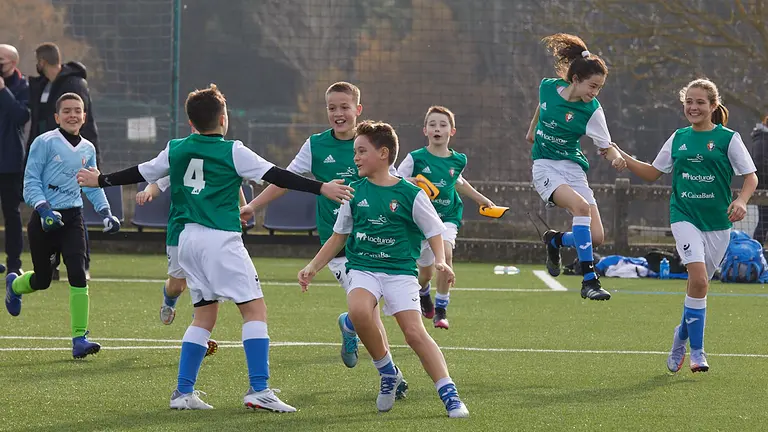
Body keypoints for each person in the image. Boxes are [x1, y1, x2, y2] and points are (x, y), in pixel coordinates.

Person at [76, 84, 353, 411]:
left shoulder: (176, 148)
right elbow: (278, 175)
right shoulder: (232, 150)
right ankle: (259, 390)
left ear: (191, 121)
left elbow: (140, 171)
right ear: (224, 118)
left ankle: (183, 392)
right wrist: (322, 187)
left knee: (204, 316)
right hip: (220, 240)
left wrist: (101, 180)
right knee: (255, 310)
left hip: (188, 240)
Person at [239, 82, 407, 397]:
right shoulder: (315, 145)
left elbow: (393, 185)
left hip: (374, 241)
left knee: (369, 308)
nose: (338, 113)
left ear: (358, 110)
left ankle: (349, 325)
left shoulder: (373, 144)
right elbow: (284, 181)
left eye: (344, 107)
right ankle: (392, 374)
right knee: (369, 310)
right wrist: (252, 206)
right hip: (339, 245)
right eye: (332, 108)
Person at [298, 120, 469, 418]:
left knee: (414, 333)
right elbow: (339, 236)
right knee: (359, 311)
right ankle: (387, 372)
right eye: (355, 152)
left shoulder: (410, 194)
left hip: (401, 272)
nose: (356, 158)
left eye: (362, 151)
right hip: (363, 268)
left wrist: (440, 259)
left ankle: (450, 394)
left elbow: (434, 232)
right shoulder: (353, 193)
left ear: (384, 154)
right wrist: (313, 266)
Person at [610, 78, 758, 373]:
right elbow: (653, 173)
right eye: (689, 101)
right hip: (684, 216)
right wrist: (622, 156)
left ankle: (680, 337)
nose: (693, 107)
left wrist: (741, 201)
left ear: (713, 106)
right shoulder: (678, 138)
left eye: (700, 102)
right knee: (700, 280)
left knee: (698, 287)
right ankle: (698, 352)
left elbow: (750, 177)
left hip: (717, 223)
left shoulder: (729, 139)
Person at [4, 93, 121, 360]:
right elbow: (30, 181)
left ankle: (80, 339)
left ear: (84, 116)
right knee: (43, 280)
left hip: (72, 219)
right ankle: (16, 285)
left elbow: (91, 183)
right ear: (57, 117)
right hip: (44, 221)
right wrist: (44, 210)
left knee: (78, 272)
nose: (72, 115)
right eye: (66, 111)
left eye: (77, 111)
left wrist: (106, 212)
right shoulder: (44, 142)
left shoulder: (88, 149)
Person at [526, 33, 626, 300]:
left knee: (596, 237)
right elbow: (542, 105)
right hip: (545, 166)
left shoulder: (592, 110)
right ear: (575, 80)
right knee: (580, 208)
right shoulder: (547, 87)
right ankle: (589, 280)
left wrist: (615, 157)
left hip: (573, 168)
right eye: (592, 86)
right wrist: (532, 129)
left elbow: (607, 145)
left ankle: (555, 240)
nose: (595, 93)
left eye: (599, 88)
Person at [397, 105, 495, 329]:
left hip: (447, 217)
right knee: (425, 273)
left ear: (452, 131)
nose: (437, 128)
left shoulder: (458, 160)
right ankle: (423, 293)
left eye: (443, 125)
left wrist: (480, 198)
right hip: (421, 221)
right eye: (432, 125)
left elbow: (458, 182)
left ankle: (441, 310)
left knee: (446, 255)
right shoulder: (415, 158)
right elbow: (396, 178)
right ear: (425, 131)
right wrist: (414, 181)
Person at [27, 42, 100, 281]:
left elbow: (84, 124)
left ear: (42, 62)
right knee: (42, 277)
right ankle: (50, 264)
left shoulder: (74, 84)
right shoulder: (44, 85)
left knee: (75, 209)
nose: (71, 115)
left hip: (72, 156)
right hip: (47, 157)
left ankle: (81, 263)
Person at [135, 176, 247, 326]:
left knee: (209, 284)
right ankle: (169, 302)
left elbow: (234, 179)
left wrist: (242, 208)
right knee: (177, 286)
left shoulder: (221, 156)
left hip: (213, 226)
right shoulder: (182, 155)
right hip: (180, 228)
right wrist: (147, 191)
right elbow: (159, 182)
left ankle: (200, 331)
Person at [0, 44, 29, 276]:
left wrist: (3, 91)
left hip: (10, 162)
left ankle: (14, 264)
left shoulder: (23, 86)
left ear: (13, 63)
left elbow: (22, 116)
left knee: (12, 214)